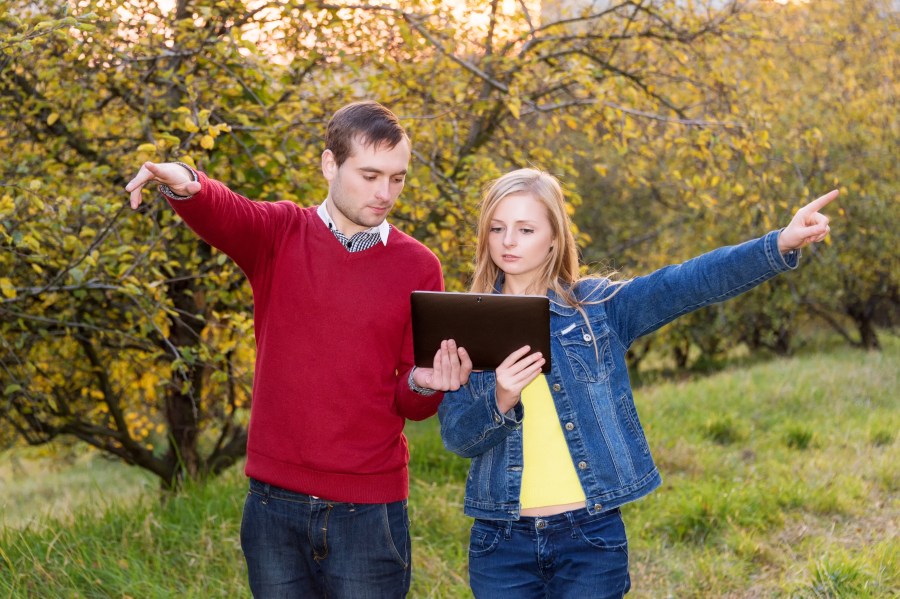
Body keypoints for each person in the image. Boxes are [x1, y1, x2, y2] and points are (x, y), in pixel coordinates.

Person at [125, 100, 472, 598]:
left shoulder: (419, 265)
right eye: (370, 175)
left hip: (368, 511)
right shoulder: (280, 233)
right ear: (330, 164)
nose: (385, 193)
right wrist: (185, 178)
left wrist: (424, 382)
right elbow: (228, 211)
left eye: (397, 178)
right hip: (273, 508)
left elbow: (412, 403)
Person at [437, 168, 837, 598]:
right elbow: (458, 438)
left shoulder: (598, 308)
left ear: (554, 236)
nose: (508, 241)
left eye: (525, 229)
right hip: (500, 544)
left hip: (590, 538)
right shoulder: (464, 325)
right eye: (497, 228)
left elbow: (686, 283)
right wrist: (501, 398)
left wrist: (778, 244)